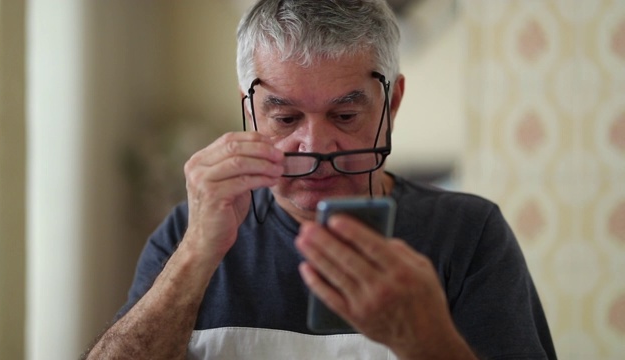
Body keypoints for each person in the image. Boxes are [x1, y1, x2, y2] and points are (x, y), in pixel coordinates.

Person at [84, 0, 557, 359]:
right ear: (250, 112)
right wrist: (193, 260)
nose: (315, 145)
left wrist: (428, 339)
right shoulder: (188, 233)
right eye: (286, 118)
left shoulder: (468, 236)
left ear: (391, 106)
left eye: (345, 114)